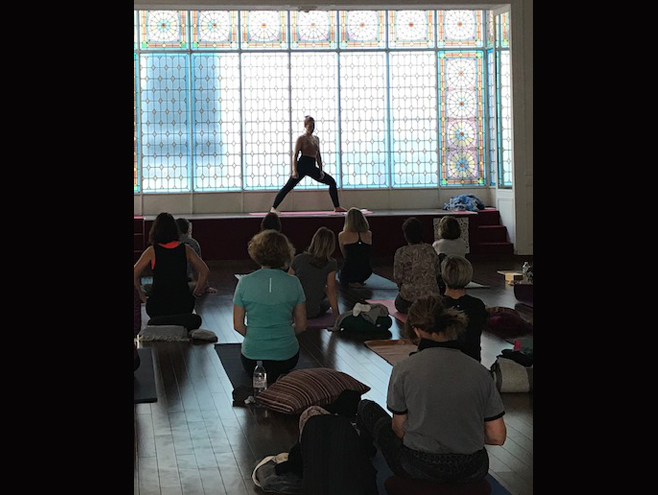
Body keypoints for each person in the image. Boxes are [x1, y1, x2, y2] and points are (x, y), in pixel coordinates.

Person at [356, 295, 506, 485]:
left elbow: (399, 431)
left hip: (417, 466)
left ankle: (363, 466)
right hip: (473, 469)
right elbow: (497, 436)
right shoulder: (481, 372)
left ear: (417, 330)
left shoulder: (404, 369)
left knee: (366, 408)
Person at [233, 229, 307, 383]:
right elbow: (301, 326)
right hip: (287, 357)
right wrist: (282, 334)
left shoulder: (245, 282)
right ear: (286, 253)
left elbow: (238, 326)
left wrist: (257, 337)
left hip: (252, 359)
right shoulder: (294, 282)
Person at [134, 212, 209, 330]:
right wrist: (196, 292)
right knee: (193, 318)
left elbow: (134, 274)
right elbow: (204, 271)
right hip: (183, 305)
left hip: (157, 307)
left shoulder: (152, 251)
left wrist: (142, 297)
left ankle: (161, 322)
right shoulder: (186, 249)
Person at [271, 116, 347, 214]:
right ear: (305, 126)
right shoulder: (301, 138)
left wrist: (321, 170)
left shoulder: (316, 139)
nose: (311, 128)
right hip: (302, 165)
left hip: (312, 165)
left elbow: (318, 155)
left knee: (332, 182)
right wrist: (294, 170)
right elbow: (295, 155)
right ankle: (273, 207)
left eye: (313, 126)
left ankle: (337, 207)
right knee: (288, 187)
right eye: (310, 126)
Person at [441, 255, 487, 362]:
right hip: (472, 363)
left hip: (442, 363)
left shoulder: (435, 306)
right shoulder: (477, 305)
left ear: (443, 276)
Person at [290, 227, 340, 320]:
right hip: (312, 311)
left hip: (293, 310)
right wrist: (337, 315)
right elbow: (331, 290)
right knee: (327, 301)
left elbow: (288, 281)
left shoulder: (299, 258)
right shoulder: (331, 263)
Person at [393, 217, 441, 314]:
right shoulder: (430, 249)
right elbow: (437, 272)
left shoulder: (401, 252)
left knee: (399, 303)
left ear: (406, 235)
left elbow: (398, 277)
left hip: (408, 301)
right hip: (431, 300)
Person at [176, 217, 217, 294]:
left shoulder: (166, 242)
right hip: (183, 283)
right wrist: (205, 287)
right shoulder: (192, 244)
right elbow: (199, 269)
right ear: (188, 230)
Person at [338, 208, 373, 287]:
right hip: (366, 271)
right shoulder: (369, 234)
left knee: (339, 274)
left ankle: (352, 282)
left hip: (348, 272)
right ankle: (358, 281)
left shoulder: (342, 235)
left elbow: (344, 254)